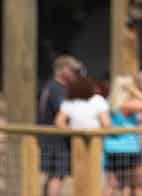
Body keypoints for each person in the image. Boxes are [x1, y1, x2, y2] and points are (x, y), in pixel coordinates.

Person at [57, 73, 109, 194]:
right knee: (96, 175)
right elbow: (106, 123)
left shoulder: (69, 102)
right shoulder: (98, 100)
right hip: (95, 143)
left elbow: (59, 122)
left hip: (75, 143)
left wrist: (73, 132)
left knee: (79, 175)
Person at [40, 55, 85, 196]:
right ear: (64, 71)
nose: (77, 75)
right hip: (57, 141)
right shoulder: (57, 90)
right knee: (57, 176)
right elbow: (65, 114)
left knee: (52, 175)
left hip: (50, 139)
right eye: (74, 71)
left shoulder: (50, 86)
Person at [104, 75, 142, 196]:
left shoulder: (109, 103)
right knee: (132, 184)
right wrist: (133, 90)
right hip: (129, 148)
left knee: (112, 184)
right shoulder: (125, 106)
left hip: (111, 148)